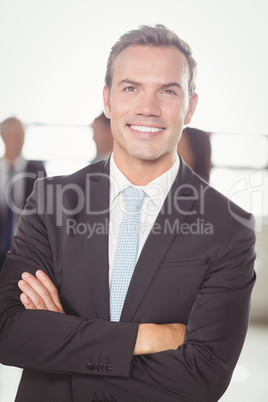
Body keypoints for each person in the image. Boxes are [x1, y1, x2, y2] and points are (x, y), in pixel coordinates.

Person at [0, 25, 256, 402]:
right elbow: (8, 333)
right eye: (131, 87)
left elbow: (204, 377)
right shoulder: (51, 199)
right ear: (107, 100)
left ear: (191, 106)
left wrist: (62, 343)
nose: (147, 108)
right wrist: (144, 337)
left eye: (167, 91)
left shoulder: (229, 226)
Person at [0, 117, 46, 270]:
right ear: (3, 136)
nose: (19, 140)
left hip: (26, 251)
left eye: (21, 135)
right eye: (14, 135)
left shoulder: (37, 170)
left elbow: (44, 213)